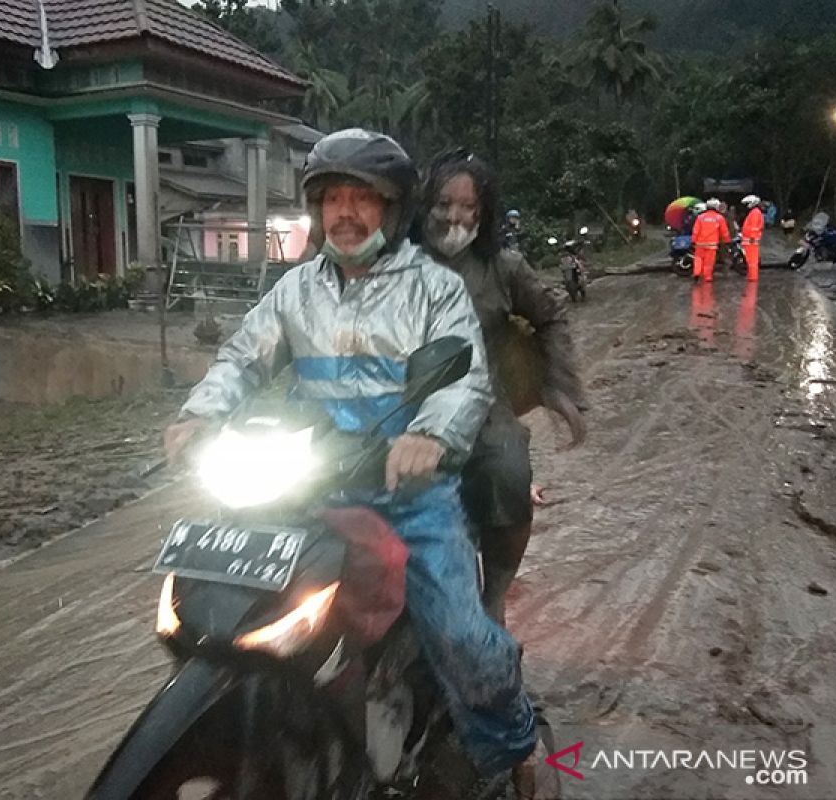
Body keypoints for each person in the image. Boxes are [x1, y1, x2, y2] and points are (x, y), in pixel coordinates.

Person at [163, 129, 550, 796]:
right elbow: (242, 355)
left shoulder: (434, 289)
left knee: (461, 637)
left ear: (392, 211)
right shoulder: (295, 292)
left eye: (362, 199)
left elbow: (463, 379)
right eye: (331, 198)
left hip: (413, 494)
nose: (345, 212)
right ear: (316, 211)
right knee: (222, 610)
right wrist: (201, 412)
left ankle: (516, 741)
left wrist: (429, 435)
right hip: (311, 488)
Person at [417, 147, 587, 628]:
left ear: (483, 212)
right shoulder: (395, 266)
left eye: (468, 206)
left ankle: (494, 594)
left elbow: (552, 316)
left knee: (509, 473)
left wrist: (560, 388)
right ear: (424, 205)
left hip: (483, 408)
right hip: (400, 408)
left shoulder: (504, 267)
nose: (455, 216)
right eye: (444, 203)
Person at [691, 198, 731, 282]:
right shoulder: (719, 218)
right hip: (711, 244)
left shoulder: (700, 217)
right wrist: (727, 241)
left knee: (698, 259)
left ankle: (696, 273)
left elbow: (695, 230)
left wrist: (693, 240)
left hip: (700, 243)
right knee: (708, 262)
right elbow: (724, 232)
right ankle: (707, 277)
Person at [740, 194, 765, 281]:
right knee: (751, 260)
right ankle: (752, 276)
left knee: (752, 261)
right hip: (750, 240)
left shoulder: (754, 213)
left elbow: (754, 227)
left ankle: (753, 277)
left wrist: (752, 237)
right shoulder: (755, 212)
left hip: (751, 240)